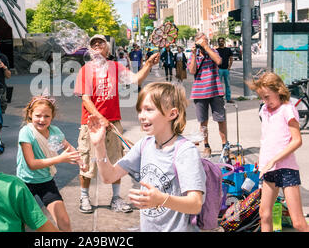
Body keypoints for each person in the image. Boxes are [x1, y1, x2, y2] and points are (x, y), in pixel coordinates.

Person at [87, 82, 206, 232]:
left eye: (149, 110)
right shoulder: (145, 144)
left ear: (172, 113)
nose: (142, 116)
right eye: (140, 110)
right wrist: (99, 146)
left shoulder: (185, 151)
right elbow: (108, 176)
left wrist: (162, 199)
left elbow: (195, 204)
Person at [74, 34, 160, 214]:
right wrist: (99, 117)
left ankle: (115, 198)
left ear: (107, 49)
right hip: (91, 124)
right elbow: (86, 99)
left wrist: (148, 65)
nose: (97, 45)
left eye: (101, 43)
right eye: (93, 43)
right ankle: (84, 197)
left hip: (113, 122)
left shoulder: (115, 67)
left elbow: (135, 79)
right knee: (87, 162)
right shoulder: (86, 69)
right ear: (90, 50)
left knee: (116, 161)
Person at [247, 72, 309, 232]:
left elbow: (297, 140)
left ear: (279, 90)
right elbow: (267, 139)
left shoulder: (287, 110)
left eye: (267, 97)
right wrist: (263, 162)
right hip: (269, 169)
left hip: (286, 169)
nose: (265, 101)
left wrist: (274, 159)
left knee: (297, 222)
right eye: (262, 97)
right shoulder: (265, 111)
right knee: (264, 214)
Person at [17, 93, 87, 231]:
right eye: (38, 115)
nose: (42, 119)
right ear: (30, 115)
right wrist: (60, 159)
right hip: (25, 183)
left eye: (46, 116)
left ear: (52, 116)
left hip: (46, 182)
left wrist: (80, 162)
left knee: (65, 222)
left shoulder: (55, 132)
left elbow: (68, 148)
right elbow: (32, 164)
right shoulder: (26, 132)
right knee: (19, 224)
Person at [187, 33, 228, 159]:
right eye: (201, 41)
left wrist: (207, 47)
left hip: (215, 90)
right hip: (200, 92)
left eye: (205, 40)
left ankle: (225, 146)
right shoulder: (194, 54)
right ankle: (206, 145)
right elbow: (192, 70)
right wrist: (194, 54)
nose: (203, 43)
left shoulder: (213, 51)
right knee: (203, 122)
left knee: (221, 119)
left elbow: (219, 61)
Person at [216, 37, 234, 103]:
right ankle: (219, 98)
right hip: (219, 69)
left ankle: (228, 98)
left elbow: (231, 58)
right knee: (219, 84)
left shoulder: (228, 50)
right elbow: (214, 60)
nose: (221, 42)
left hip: (226, 69)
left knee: (228, 84)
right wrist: (216, 67)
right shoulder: (216, 50)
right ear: (218, 42)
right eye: (219, 41)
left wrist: (229, 67)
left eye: (222, 41)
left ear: (224, 42)